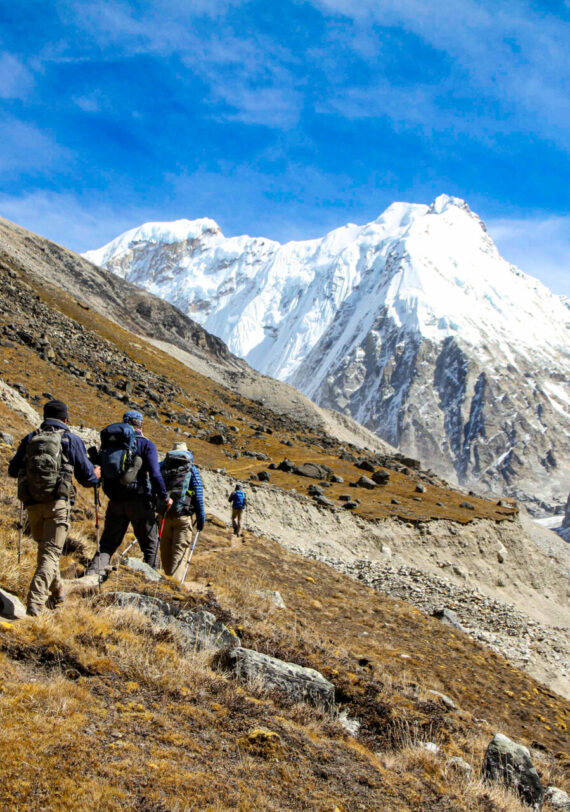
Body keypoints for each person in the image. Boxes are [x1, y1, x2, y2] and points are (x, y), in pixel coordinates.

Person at [8, 399, 100, 616]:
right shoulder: (70, 439)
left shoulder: (31, 438)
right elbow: (87, 478)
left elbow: (12, 470)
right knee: (50, 554)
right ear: (66, 419)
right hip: (57, 504)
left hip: (33, 504)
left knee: (47, 552)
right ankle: (36, 604)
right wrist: (97, 474)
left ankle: (58, 593)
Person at [85, 410, 172, 575]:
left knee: (107, 545)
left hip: (115, 501)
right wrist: (164, 498)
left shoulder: (111, 445)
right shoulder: (146, 445)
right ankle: (150, 585)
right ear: (141, 424)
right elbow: (155, 474)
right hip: (140, 501)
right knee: (150, 546)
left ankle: (92, 577)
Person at [159, 442, 205, 582]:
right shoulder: (191, 468)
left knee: (165, 551)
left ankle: (166, 581)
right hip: (183, 517)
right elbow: (198, 494)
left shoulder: (162, 466)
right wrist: (201, 519)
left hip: (164, 515)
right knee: (179, 553)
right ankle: (174, 586)